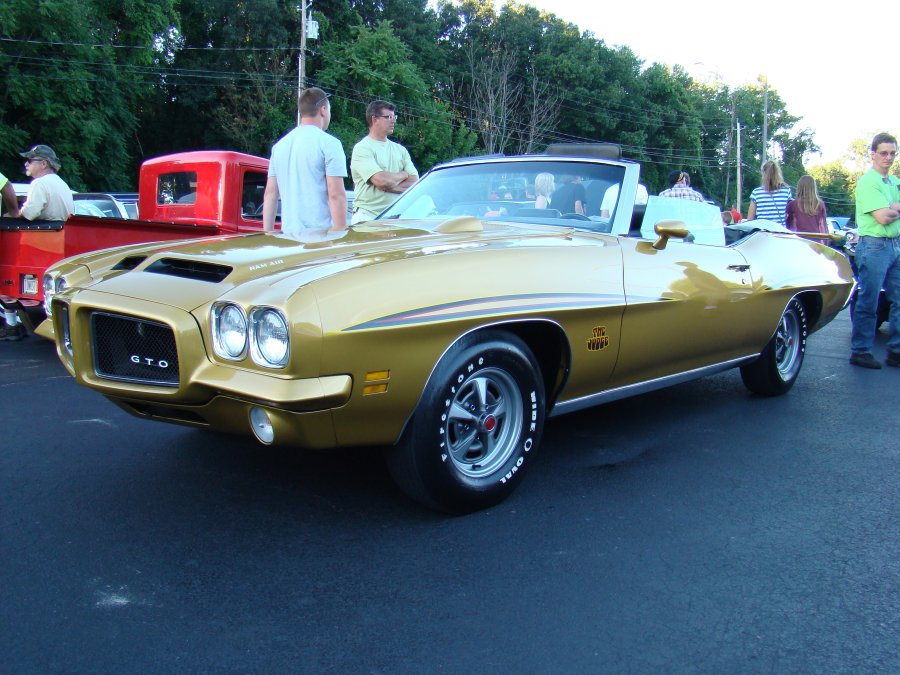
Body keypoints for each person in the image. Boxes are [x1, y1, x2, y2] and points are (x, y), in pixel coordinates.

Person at [263, 87, 347, 235]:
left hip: (288, 235)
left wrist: (268, 232)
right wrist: (339, 232)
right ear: (323, 110)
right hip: (319, 236)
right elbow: (336, 194)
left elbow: (270, 193)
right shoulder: (330, 143)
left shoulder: (279, 146)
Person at [848, 132, 900, 369]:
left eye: (892, 153)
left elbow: (889, 212)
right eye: (883, 153)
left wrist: (892, 206)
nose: (888, 157)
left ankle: (896, 351)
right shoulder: (868, 182)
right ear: (873, 154)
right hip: (874, 245)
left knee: (898, 299)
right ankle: (861, 351)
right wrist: (891, 208)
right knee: (869, 300)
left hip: (894, 244)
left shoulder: (894, 182)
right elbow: (883, 217)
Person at [350, 100, 418, 224]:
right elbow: (382, 181)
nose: (394, 121)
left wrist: (387, 186)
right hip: (368, 217)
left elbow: (415, 183)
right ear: (374, 119)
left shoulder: (400, 150)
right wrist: (403, 174)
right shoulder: (362, 148)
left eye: (394, 116)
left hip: (397, 218)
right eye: (388, 117)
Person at [16, 145, 74, 221]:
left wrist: (11, 215)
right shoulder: (63, 184)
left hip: (47, 229)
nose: (26, 164)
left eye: (30, 161)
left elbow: (27, 214)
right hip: (62, 228)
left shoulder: (40, 183)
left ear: (44, 164)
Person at [747, 160, 792, 226]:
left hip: (762, 231)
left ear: (763, 174)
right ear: (778, 174)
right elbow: (789, 215)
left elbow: (750, 219)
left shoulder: (756, 193)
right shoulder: (786, 191)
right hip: (780, 231)